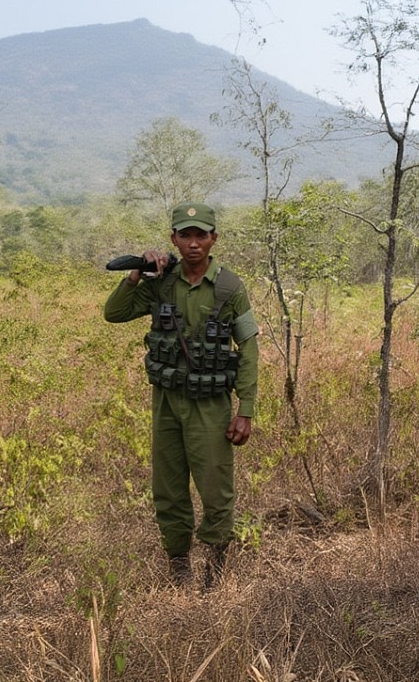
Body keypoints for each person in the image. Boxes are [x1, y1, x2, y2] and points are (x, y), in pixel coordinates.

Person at [103, 201, 259, 589]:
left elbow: (249, 348)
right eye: (185, 235)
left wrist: (247, 409)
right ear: (173, 238)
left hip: (211, 406)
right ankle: (179, 564)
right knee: (169, 486)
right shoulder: (162, 283)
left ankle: (216, 565)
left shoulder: (228, 287)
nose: (193, 243)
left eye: (200, 235)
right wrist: (137, 274)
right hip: (168, 402)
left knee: (215, 487)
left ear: (213, 239)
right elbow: (114, 313)